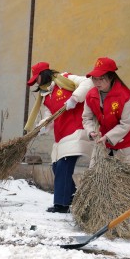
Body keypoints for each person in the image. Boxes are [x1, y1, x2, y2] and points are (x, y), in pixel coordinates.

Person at [26, 62, 94, 213]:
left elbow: (88, 82)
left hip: (76, 129)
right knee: (57, 167)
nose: (36, 82)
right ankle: (73, 198)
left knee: (63, 166)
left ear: (43, 74)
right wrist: (43, 126)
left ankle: (61, 205)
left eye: (36, 78)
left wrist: (75, 98)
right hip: (61, 134)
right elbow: (49, 116)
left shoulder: (65, 79)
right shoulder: (45, 95)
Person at [82, 57, 130, 165]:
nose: (97, 82)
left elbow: (126, 124)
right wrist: (90, 131)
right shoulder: (91, 95)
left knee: (124, 180)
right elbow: (87, 118)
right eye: (94, 78)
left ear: (111, 77)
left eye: (101, 79)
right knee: (96, 177)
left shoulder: (124, 95)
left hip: (125, 144)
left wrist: (108, 137)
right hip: (102, 143)